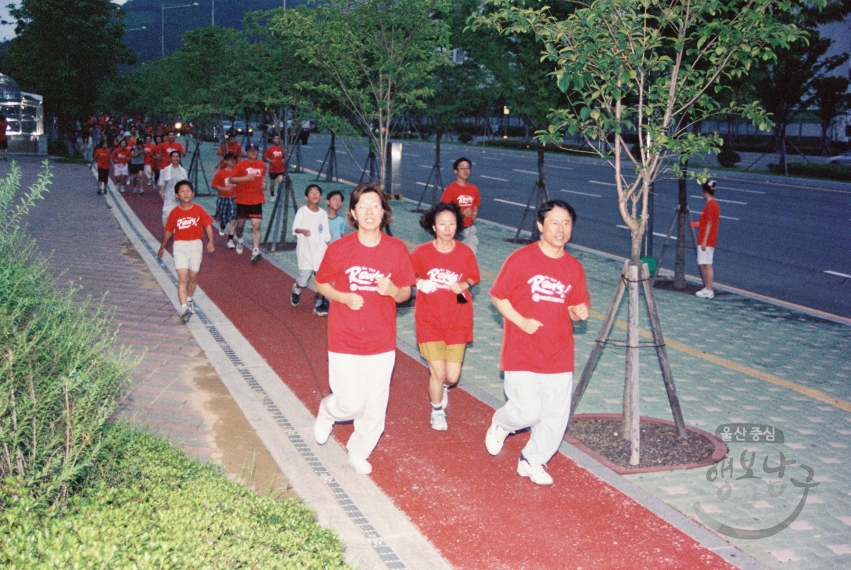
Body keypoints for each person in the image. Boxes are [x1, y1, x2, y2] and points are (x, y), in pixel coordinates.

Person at [313, 183, 416, 475]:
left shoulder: (396, 250)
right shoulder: (340, 248)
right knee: (350, 403)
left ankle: (359, 450)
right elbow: (320, 283)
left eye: (375, 206)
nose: (369, 211)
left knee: (374, 406)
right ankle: (328, 411)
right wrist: (343, 297)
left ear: (384, 212)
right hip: (344, 338)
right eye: (363, 206)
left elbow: (406, 293)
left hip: (381, 340)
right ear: (353, 213)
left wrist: (394, 290)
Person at [485, 199, 590, 486]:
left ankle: (532, 460)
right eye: (554, 222)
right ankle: (501, 423)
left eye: (566, 223)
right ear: (540, 225)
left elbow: (574, 305)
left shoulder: (573, 267)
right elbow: (498, 296)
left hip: (559, 353)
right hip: (522, 351)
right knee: (528, 411)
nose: (560, 228)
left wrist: (577, 312)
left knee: (555, 416)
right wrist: (520, 321)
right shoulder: (521, 259)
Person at [410, 202, 480, 431]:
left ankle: (444, 388)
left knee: (452, 376)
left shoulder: (465, 252)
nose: (447, 228)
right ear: (433, 226)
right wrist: (419, 282)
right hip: (429, 321)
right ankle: (437, 410)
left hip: (458, 321)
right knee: (437, 372)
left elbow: (473, 277)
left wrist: (463, 283)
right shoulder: (421, 252)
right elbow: (406, 274)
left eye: (451, 223)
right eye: (442, 224)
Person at [157, 180, 215, 324]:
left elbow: (207, 225)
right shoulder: (174, 213)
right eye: (182, 191)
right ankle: (183, 308)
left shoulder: (199, 209)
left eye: (188, 190)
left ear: (193, 193)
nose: (186, 193)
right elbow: (168, 231)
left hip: (196, 245)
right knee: (183, 277)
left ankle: (189, 299)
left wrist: (211, 241)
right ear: (177, 195)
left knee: (192, 276)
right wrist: (162, 247)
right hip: (180, 246)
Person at [292, 184, 331, 316]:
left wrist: (329, 248)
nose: (314, 194)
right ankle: (297, 288)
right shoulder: (302, 211)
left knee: (322, 278)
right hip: (305, 251)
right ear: (306, 197)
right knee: (303, 280)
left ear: (320, 197)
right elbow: (296, 228)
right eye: (311, 192)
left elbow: (325, 233)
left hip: (320, 251)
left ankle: (319, 305)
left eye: (317, 193)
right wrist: (302, 231)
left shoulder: (323, 214)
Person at [229, 143, 267, 263]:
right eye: (250, 151)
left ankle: (255, 251)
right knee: (240, 226)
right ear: (246, 152)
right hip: (242, 200)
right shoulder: (240, 165)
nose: (253, 153)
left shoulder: (262, 164)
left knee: (256, 226)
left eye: (255, 150)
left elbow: (264, 179)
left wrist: (264, 185)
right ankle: (239, 239)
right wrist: (245, 178)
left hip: (256, 200)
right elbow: (231, 179)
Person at [440, 157, 480, 255]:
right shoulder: (451, 189)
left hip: (469, 229)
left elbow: (475, 204)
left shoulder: (474, 189)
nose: (466, 171)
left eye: (468, 168)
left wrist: (474, 213)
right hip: (455, 231)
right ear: (455, 171)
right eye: (462, 168)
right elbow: (444, 212)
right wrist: (461, 213)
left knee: (471, 256)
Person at [696, 180, 720, 299]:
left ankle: (709, 289)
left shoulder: (711, 205)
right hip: (705, 239)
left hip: (707, 240)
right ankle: (707, 287)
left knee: (707, 264)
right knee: (702, 264)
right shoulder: (712, 204)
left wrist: (704, 241)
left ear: (704, 191)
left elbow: (709, 223)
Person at [211, 152, 238, 249]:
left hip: (234, 199)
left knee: (232, 220)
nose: (233, 162)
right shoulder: (220, 173)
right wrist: (223, 189)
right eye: (230, 160)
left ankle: (230, 240)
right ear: (225, 161)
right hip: (223, 198)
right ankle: (222, 225)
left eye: (234, 160)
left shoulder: (238, 173)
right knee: (222, 218)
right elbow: (213, 185)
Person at [159, 151, 188, 227]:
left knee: (179, 216)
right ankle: (168, 229)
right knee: (166, 215)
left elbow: (186, 184)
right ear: (171, 158)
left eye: (177, 156)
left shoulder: (183, 171)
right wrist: (162, 192)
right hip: (168, 196)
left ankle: (176, 232)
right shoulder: (166, 170)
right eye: (174, 156)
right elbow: (162, 182)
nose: (175, 158)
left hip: (179, 198)